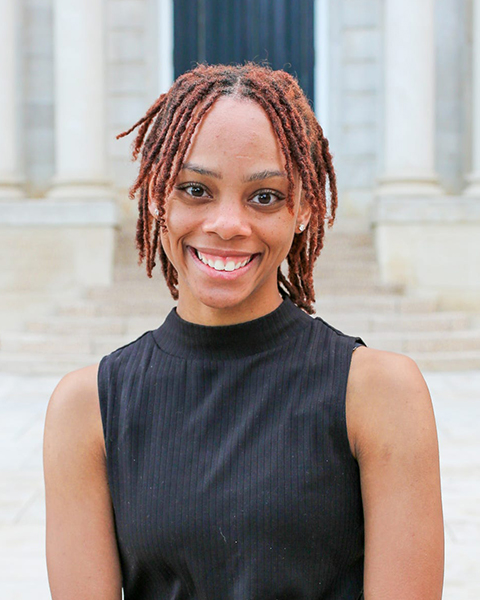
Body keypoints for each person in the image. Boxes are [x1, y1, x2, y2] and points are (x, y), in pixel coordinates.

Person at [43, 63, 444, 599]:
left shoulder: (381, 394)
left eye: (264, 197)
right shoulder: (86, 407)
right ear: (158, 197)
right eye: (195, 189)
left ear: (303, 208)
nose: (228, 224)